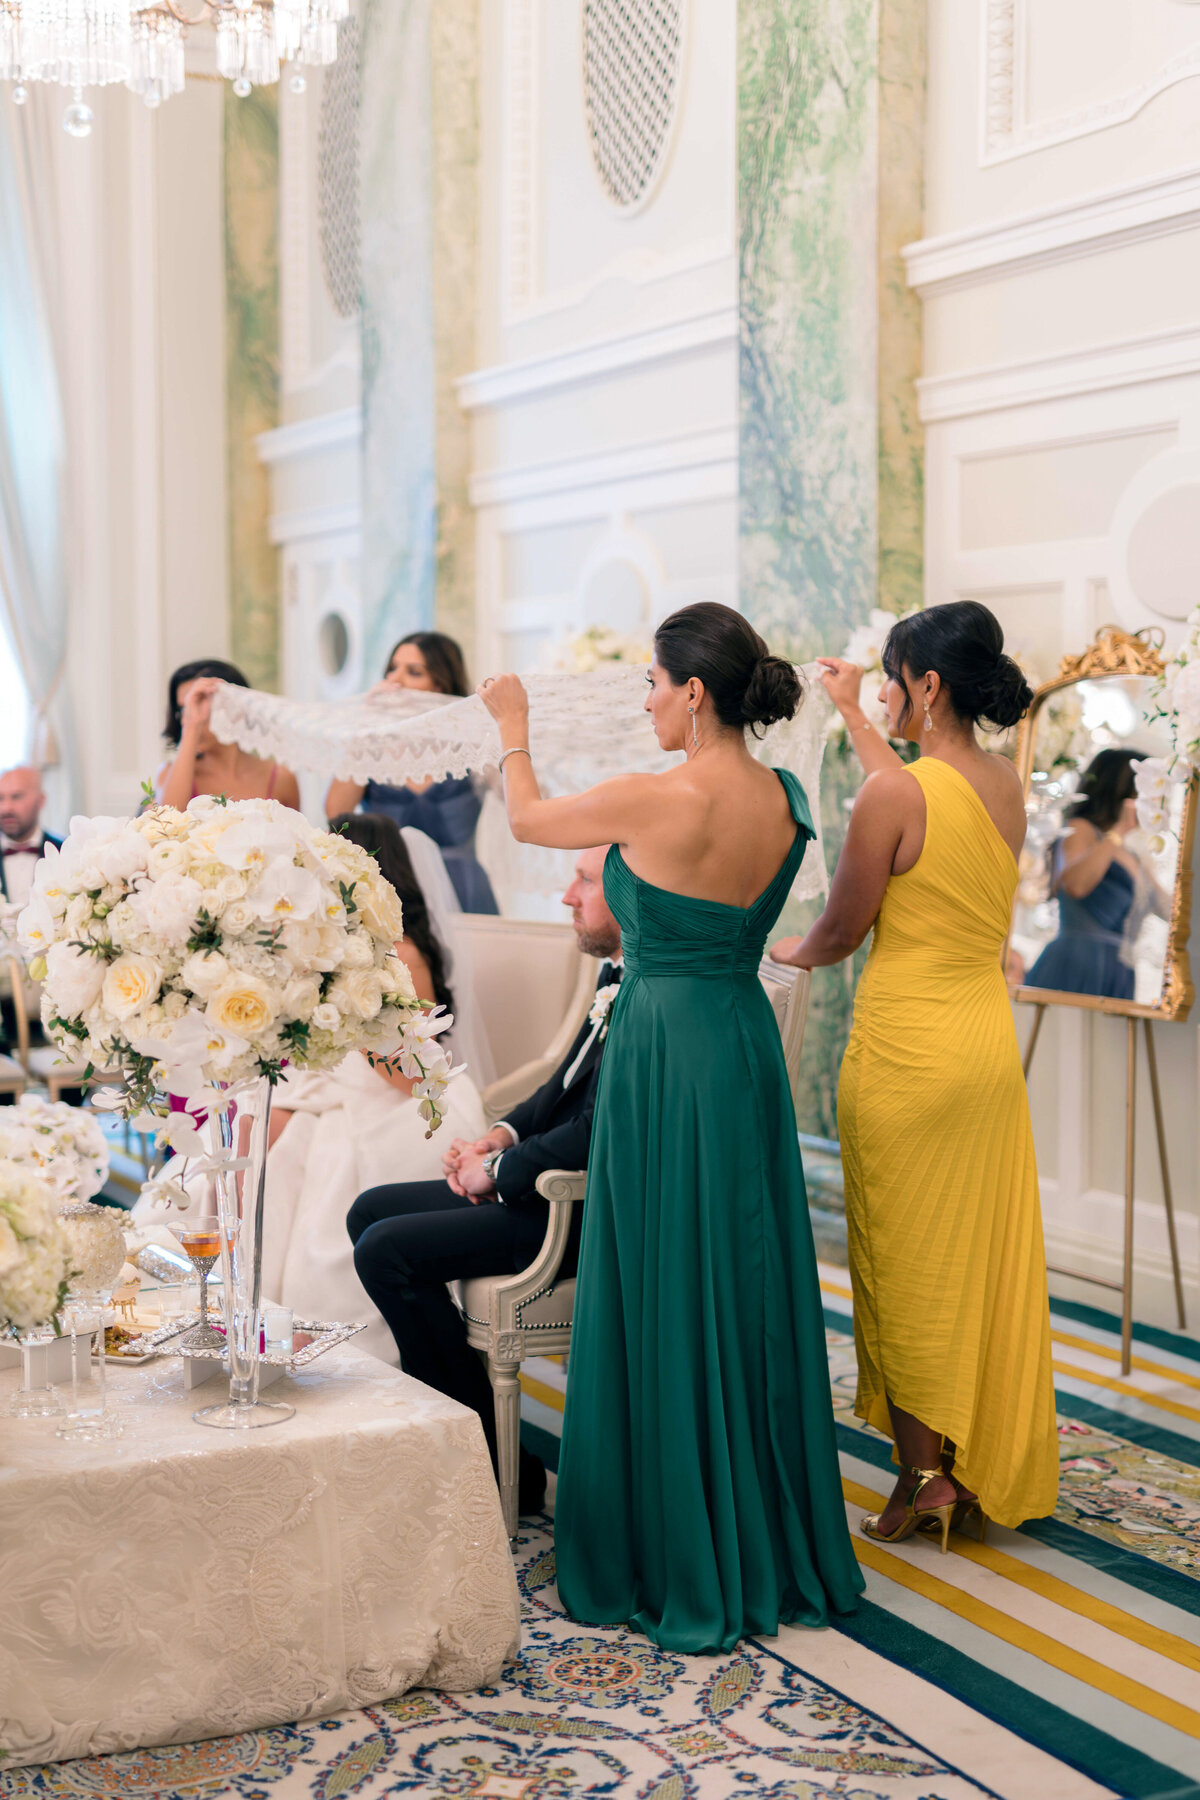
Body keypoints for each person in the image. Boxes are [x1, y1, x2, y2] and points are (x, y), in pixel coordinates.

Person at [475, 601, 863, 1654]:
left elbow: (525, 817)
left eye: (651, 684)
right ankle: (762, 1530)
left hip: (660, 1049)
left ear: (694, 693)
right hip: (735, 1045)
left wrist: (512, 726)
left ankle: (675, 1542)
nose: (644, 701)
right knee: (740, 1280)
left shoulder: (656, 799)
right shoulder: (784, 801)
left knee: (663, 1281)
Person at [772, 600, 1058, 1550]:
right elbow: (917, 796)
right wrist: (857, 711)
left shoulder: (893, 797)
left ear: (930, 685)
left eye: (894, 678)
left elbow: (845, 927)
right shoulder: (1006, 786)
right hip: (982, 1049)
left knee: (899, 1261)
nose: (887, 692)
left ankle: (924, 1476)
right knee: (971, 1261)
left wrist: (775, 951)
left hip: (905, 1055)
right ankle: (965, 1462)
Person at [348, 843, 622, 1516]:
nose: (567, 894)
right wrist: (499, 1135)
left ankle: (476, 1453)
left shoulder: (652, 995)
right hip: (536, 1179)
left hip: (573, 1210)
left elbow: (597, 1129)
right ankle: (493, 1442)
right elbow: (561, 1087)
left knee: (385, 1251)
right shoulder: (617, 974)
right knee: (369, 1210)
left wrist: (498, 1172)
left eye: (584, 880)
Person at [257, 816, 488, 1362]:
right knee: (262, 1137)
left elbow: (410, 1072)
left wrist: (352, 1011)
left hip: (409, 1101)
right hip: (338, 1082)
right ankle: (243, 1311)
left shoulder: (402, 953)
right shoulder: (328, 947)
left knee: (308, 1159)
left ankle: (337, 1344)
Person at [325, 632, 498, 914]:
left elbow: (523, 800)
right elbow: (336, 814)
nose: (396, 680)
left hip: (463, 893)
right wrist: (367, 725)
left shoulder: (474, 744)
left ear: (441, 683)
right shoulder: (373, 745)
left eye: (413, 672)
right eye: (392, 669)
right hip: (390, 891)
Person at [1026, 748, 1167, 1002]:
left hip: (1119, 970)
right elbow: (1076, 885)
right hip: (1078, 961)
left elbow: (1169, 908)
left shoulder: (1132, 855)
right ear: (1124, 789)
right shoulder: (1081, 829)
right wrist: (1120, 830)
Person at [156, 659, 300, 812]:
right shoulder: (169, 775)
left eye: (198, 704)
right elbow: (165, 825)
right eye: (183, 709)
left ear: (236, 709)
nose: (187, 719)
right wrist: (192, 728)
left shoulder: (282, 779)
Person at [0, 766, 60, 906]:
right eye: (0, 798)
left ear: (40, 800)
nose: (6, 808)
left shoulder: (64, 850)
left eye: (16, 797)